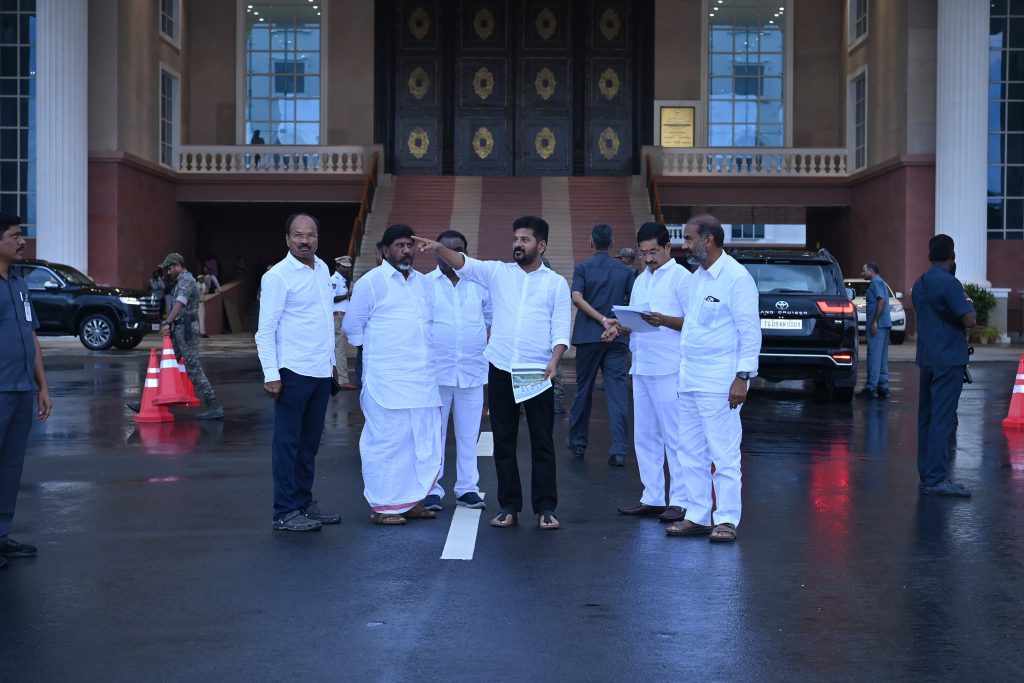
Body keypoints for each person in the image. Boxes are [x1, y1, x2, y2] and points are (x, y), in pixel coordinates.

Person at [413, 215, 571, 530]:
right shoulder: (498, 273)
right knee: (504, 441)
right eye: (515, 239)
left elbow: (560, 327)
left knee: (542, 441)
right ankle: (509, 506)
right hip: (500, 368)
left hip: (536, 373)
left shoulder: (555, 283)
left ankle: (545, 508)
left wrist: (555, 360)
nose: (517, 244)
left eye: (524, 240)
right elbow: (465, 264)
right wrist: (439, 249)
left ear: (541, 245)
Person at [666, 214, 760, 543]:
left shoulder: (736, 278)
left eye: (689, 239)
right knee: (689, 452)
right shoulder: (698, 277)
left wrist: (742, 377)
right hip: (690, 379)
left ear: (708, 240)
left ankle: (727, 519)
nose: (683, 245)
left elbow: (750, 332)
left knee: (723, 453)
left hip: (720, 381)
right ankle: (697, 514)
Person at [343, 224, 442, 525]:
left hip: (421, 379)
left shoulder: (423, 283)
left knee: (420, 442)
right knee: (386, 444)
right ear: (384, 250)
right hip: (386, 379)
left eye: (409, 245)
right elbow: (351, 328)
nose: (406, 250)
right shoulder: (371, 283)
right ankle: (383, 506)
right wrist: (380, 350)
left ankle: (409, 502)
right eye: (399, 245)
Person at [256, 213, 342, 531]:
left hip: (320, 372)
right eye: (297, 235)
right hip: (291, 371)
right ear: (287, 239)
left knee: (309, 444)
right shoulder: (277, 276)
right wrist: (271, 374)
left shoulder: (322, 270)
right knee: (287, 444)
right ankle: (285, 511)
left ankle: (303, 503)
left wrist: (331, 361)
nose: (305, 240)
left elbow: (322, 320)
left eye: (310, 235)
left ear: (318, 238)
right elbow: (265, 330)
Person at [612, 221, 691, 523]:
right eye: (644, 253)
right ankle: (653, 497)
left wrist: (664, 321)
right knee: (645, 435)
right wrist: (619, 327)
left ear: (669, 248)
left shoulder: (682, 279)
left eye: (654, 251)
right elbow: (636, 319)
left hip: (670, 366)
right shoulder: (641, 279)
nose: (649, 258)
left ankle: (681, 501)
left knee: (675, 436)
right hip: (642, 363)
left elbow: (692, 323)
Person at [421, 229, 491, 512]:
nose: (450, 256)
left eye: (457, 250)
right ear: (437, 252)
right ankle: (431, 489)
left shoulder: (479, 284)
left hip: (472, 372)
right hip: (436, 373)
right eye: (444, 250)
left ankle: (467, 489)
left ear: (465, 252)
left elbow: (490, 320)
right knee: (433, 436)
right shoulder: (424, 285)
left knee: (468, 434)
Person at [0, 213, 52, 569]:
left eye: (23, 234)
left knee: (11, 467)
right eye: (16, 235)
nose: (22, 241)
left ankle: (2, 536)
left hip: (21, 391)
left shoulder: (19, 283)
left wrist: (43, 386)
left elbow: (31, 335)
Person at [911, 234, 976, 497]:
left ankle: (927, 476)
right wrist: (969, 302)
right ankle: (938, 479)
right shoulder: (950, 283)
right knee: (943, 419)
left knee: (926, 419)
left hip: (926, 357)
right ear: (952, 255)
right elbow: (969, 319)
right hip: (948, 359)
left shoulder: (919, 283)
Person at [566, 224, 634, 466]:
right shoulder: (625, 271)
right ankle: (618, 450)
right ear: (612, 242)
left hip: (588, 336)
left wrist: (601, 321)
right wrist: (614, 326)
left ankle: (578, 444)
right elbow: (631, 304)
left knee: (583, 392)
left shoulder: (583, 268)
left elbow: (576, 297)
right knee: (617, 394)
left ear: (590, 241)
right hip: (617, 338)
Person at [159, 253, 224, 420]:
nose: (167, 272)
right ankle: (152, 398)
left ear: (177, 265)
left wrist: (167, 321)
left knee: (192, 367)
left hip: (186, 328)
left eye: (169, 268)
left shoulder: (186, 279)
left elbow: (180, 303)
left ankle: (213, 404)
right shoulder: (180, 281)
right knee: (167, 363)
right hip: (181, 327)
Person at [857, 261, 892, 399]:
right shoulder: (880, 281)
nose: (862, 273)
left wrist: (874, 321)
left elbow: (881, 301)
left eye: (864, 270)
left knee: (874, 356)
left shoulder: (875, 282)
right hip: (885, 324)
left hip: (878, 325)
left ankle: (870, 388)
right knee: (882, 357)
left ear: (871, 271)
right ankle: (883, 388)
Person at [330, 255, 357, 390]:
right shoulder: (334, 280)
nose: (346, 270)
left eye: (348, 268)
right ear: (337, 267)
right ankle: (342, 379)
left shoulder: (343, 280)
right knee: (339, 349)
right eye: (344, 267)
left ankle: (337, 377)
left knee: (340, 348)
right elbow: (332, 298)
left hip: (343, 317)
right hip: (337, 317)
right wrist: (348, 295)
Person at [197, 266, 220, 338]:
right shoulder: (196, 285)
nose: (203, 279)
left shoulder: (203, 285)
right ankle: (201, 333)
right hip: (197, 303)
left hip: (201, 303)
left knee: (202, 318)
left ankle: (202, 332)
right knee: (199, 318)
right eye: (201, 279)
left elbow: (206, 291)